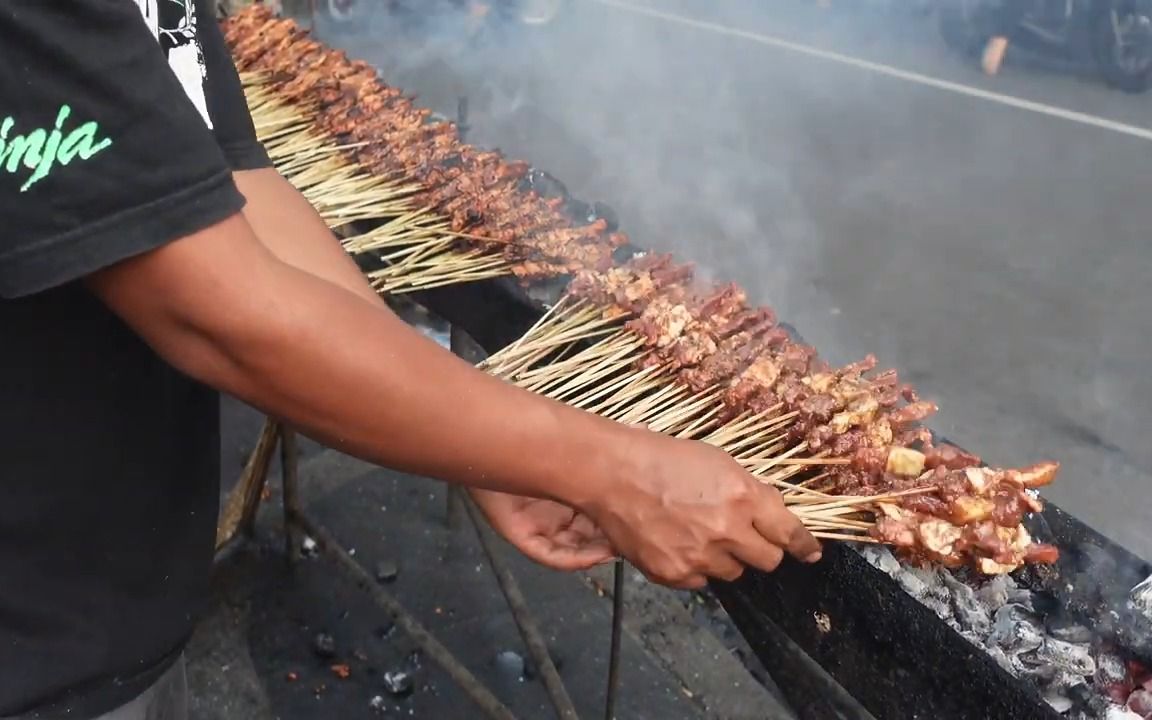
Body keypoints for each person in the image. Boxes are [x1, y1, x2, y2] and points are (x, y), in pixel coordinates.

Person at [0, 1, 822, 718]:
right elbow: (217, 307)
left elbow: (232, 183)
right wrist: (607, 467)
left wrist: (480, 436)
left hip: (113, 598)